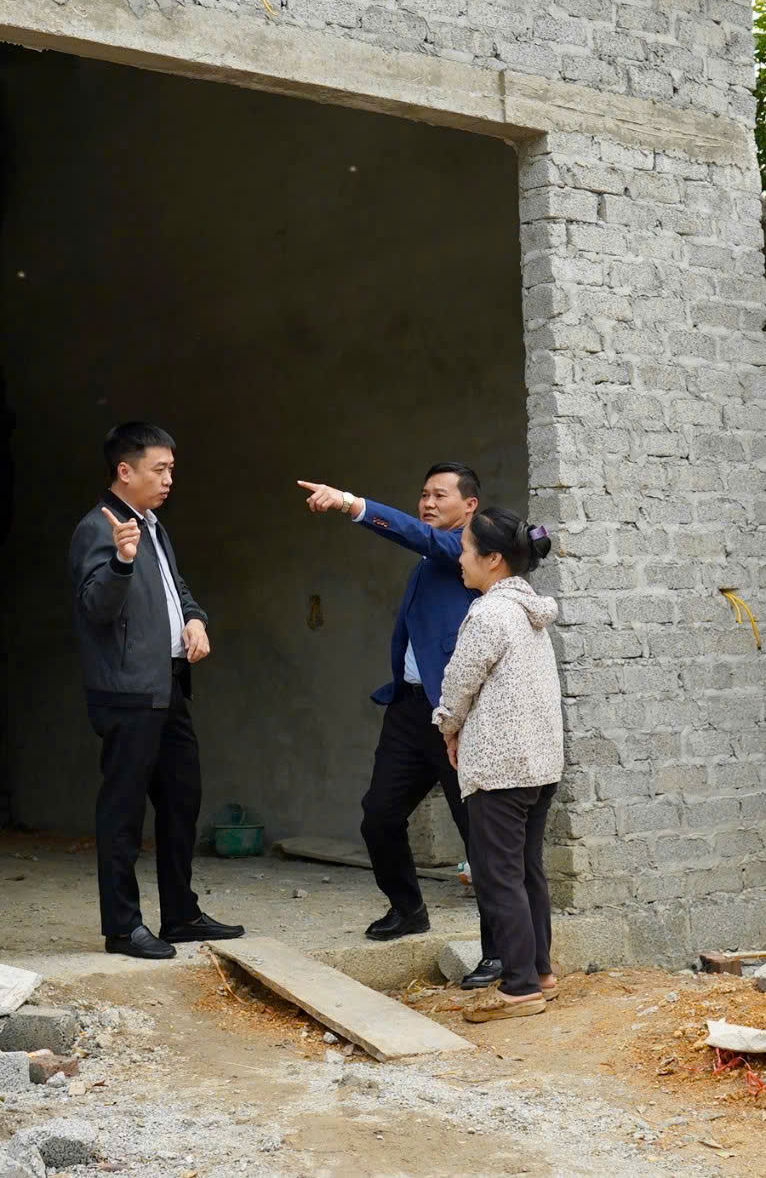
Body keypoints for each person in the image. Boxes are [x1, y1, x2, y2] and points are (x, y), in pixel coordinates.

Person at [296, 468, 506, 991]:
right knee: (379, 815)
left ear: (470, 505)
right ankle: (408, 908)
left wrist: (350, 501)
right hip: (410, 711)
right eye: (423, 494)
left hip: (456, 715)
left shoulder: (462, 549)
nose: (427, 502)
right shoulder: (432, 554)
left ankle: (500, 952)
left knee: (477, 833)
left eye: (440, 495)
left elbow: (420, 537)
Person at [70, 422, 245, 960]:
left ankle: (181, 914)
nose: (169, 479)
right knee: (123, 812)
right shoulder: (98, 528)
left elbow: (175, 587)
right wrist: (121, 561)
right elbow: (95, 606)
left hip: (167, 684)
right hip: (127, 691)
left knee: (181, 799)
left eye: (172, 469)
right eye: (160, 469)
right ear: (125, 471)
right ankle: (123, 928)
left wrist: (194, 618)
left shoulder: (152, 524)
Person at [434, 507, 563, 1021]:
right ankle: (539, 972)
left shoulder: (489, 613)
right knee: (527, 870)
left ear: (492, 559)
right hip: (539, 763)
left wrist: (448, 726)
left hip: (500, 765)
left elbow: (459, 682)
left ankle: (519, 988)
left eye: (466, 550)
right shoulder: (530, 610)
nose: (460, 559)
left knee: (498, 876)